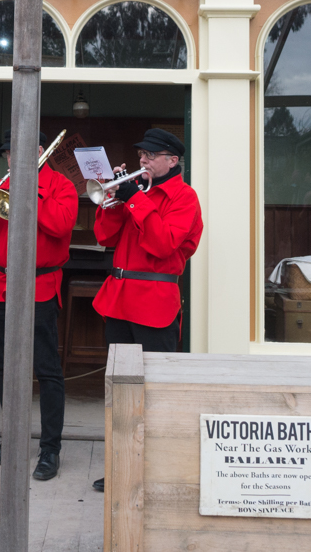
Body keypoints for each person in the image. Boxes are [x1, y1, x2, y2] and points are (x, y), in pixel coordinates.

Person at [90, 128, 202, 492]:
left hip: (154, 303)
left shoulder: (184, 197)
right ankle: (123, 467)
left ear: (172, 160)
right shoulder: (141, 192)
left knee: (153, 393)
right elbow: (104, 237)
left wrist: (135, 200)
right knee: (120, 389)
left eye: (151, 156)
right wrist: (115, 198)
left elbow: (162, 244)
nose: (143, 161)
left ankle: (158, 471)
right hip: (120, 300)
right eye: (141, 155)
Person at [0, 130, 78, 482]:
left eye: (19, 152)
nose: (13, 159)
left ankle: (50, 448)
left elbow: (60, 226)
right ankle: (12, 441)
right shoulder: (1, 185)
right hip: (1, 288)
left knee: (47, 372)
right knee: (5, 370)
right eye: (9, 154)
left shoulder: (61, 186)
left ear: (40, 151)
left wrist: (26, 194)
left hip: (41, 287)